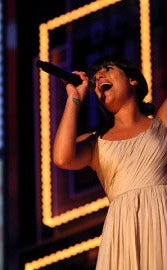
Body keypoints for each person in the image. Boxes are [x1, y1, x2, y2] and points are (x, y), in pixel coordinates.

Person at [52, 55, 167, 269]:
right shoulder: (97, 142)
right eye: (95, 79)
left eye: (107, 69)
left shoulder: (162, 124)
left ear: (132, 80)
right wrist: (74, 98)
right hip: (123, 231)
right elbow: (62, 157)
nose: (99, 77)